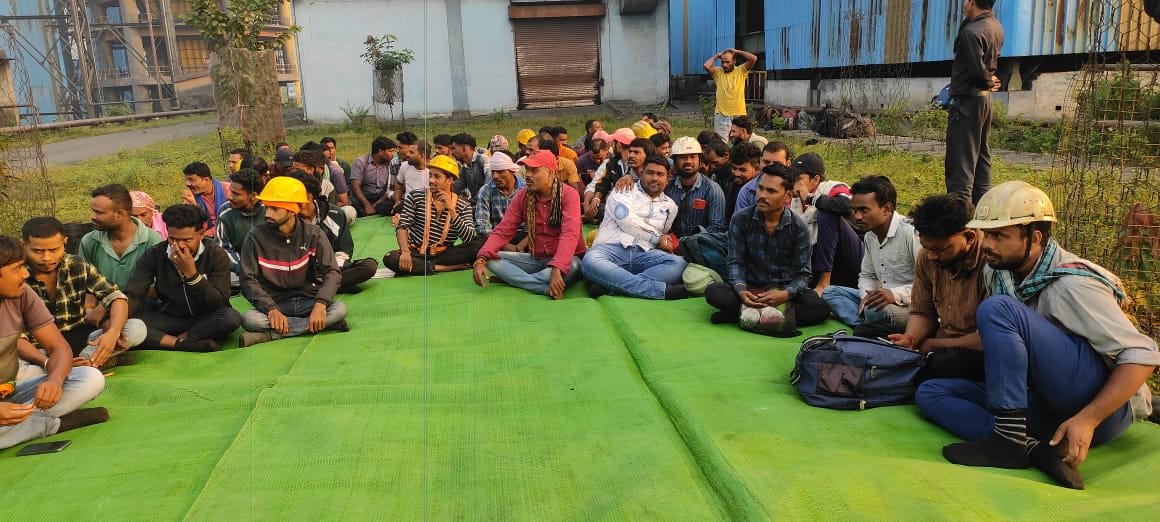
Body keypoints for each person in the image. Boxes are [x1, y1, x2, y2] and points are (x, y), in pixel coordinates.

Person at [915, 181, 1159, 490]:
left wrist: (1088, 420)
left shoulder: (1072, 284)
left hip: (1097, 408)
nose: (987, 244)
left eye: (1000, 236)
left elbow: (1143, 355)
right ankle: (1031, 448)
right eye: (987, 234)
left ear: (1035, 238)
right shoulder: (998, 272)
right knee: (931, 392)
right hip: (1046, 403)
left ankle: (1008, 440)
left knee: (997, 309)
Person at [0, 236, 109, 450]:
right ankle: (49, 425)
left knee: (90, 378)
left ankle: (16, 424)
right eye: (16, 269)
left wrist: (55, 381)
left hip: (9, 391)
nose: (25, 274)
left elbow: (58, 347)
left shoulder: (22, 294)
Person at [704, 168, 831, 326]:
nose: (762, 195)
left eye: (771, 191)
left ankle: (745, 314)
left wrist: (785, 294)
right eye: (761, 188)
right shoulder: (741, 219)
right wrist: (741, 290)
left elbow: (803, 274)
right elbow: (735, 262)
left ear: (787, 196)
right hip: (750, 288)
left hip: (782, 291)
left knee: (819, 309)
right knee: (714, 292)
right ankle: (772, 317)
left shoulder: (799, 227)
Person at [237, 176, 348, 347]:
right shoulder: (255, 236)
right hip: (276, 304)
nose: (268, 214)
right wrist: (271, 309)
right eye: (267, 207)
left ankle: (271, 335)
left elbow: (332, 272)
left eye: (275, 209)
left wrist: (320, 305)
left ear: (292, 210)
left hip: (310, 300)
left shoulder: (313, 233)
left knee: (339, 309)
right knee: (249, 319)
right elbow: (248, 280)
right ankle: (322, 324)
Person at [21, 217, 145, 368]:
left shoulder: (77, 265)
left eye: (53, 250)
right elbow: (12, 336)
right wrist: (46, 361)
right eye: (38, 251)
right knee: (17, 365)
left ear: (64, 242)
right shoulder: (14, 274)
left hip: (78, 338)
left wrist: (113, 333)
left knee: (136, 328)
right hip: (39, 347)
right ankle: (87, 364)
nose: (47, 258)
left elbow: (116, 297)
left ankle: (79, 364)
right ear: (24, 246)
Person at [887, 194, 987, 382]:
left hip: (975, 351)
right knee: (869, 332)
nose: (932, 256)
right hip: (939, 340)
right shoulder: (927, 257)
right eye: (927, 248)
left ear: (969, 237)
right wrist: (910, 339)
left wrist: (933, 345)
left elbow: (986, 340)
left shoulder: (990, 264)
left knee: (941, 366)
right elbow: (922, 312)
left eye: (941, 249)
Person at [123, 205, 241, 352]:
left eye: (187, 240)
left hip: (206, 318)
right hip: (171, 318)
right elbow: (135, 292)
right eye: (172, 239)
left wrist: (192, 275)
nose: (178, 246)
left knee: (230, 317)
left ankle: (178, 339)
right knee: (127, 324)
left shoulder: (216, 254)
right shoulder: (155, 254)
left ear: (201, 234)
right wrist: (116, 317)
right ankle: (184, 343)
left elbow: (219, 301)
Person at [473, 150, 585, 299]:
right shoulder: (523, 196)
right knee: (492, 259)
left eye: (534, 170)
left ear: (551, 173)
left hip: (568, 258)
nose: (528, 175)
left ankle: (515, 279)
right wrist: (481, 259)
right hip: (537, 258)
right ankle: (542, 288)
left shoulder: (569, 195)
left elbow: (570, 234)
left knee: (573, 266)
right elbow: (503, 230)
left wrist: (557, 268)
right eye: (527, 170)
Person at [821, 176, 920, 338]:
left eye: (864, 210)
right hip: (880, 301)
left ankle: (867, 325)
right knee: (830, 293)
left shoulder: (911, 232)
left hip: (912, 304)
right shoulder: (870, 236)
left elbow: (930, 285)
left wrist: (894, 294)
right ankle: (866, 326)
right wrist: (867, 297)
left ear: (887, 208)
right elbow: (867, 275)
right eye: (854, 210)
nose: (857, 217)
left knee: (876, 312)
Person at [582, 155, 687, 300]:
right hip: (611, 249)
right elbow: (626, 221)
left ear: (667, 178)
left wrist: (665, 243)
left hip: (645, 254)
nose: (655, 178)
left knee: (679, 264)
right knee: (591, 260)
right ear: (641, 173)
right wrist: (657, 238)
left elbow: (664, 233)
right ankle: (658, 290)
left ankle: (612, 285)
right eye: (650, 173)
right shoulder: (623, 190)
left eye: (660, 174)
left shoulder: (671, 206)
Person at [945, 0, 1004, 205]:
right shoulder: (995, 26)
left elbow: (976, 71)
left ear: (972, 1)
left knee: (961, 162)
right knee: (981, 158)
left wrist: (988, 80)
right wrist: (990, 80)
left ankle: (960, 213)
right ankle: (983, 208)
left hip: (967, 102)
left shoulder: (971, 32)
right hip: (983, 100)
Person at [383, 155, 481, 275]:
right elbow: (402, 227)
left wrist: (452, 210)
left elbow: (469, 239)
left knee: (480, 244)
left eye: (437, 176)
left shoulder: (463, 204)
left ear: (450, 179)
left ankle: (424, 266)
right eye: (430, 175)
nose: (431, 180)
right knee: (390, 257)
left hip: (445, 253)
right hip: (417, 252)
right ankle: (440, 268)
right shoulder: (415, 196)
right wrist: (405, 252)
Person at [293, 172, 378, 294]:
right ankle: (335, 285)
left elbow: (343, 251)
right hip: (298, 271)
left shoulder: (335, 214)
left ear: (308, 196)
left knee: (369, 266)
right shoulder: (288, 217)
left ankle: (321, 286)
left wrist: (331, 270)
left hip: (329, 268)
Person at [789, 153, 861, 297]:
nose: (794, 184)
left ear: (815, 179)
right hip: (820, 261)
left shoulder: (832, 187)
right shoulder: (793, 201)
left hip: (850, 257)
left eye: (798, 179)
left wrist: (811, 199)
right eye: (792, 179)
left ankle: (824, 282)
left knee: (827, 215)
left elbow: (849, 204)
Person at [80, 183, 164, 290]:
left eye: (99, 213)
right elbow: (85, 284)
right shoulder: (90, 241)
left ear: (119, 214)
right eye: (93, 211)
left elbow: (157, 287)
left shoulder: (152, 241)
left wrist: (119, 299)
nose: (92, 217)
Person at [664, 137, 726, 239]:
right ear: (674, 162)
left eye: (693, 157)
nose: (688, 161)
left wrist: (687, 243)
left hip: (700, 245)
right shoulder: (667, 187)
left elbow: (716, 227)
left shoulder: (712, 189)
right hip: (669, 243)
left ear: (700, 160)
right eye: (683, 157)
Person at [217, 168, 266, 277]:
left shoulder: (268, 211)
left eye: (236, 194)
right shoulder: (225, 212)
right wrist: (243, 270)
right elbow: (223, 247)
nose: (230, 197)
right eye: (230, 191)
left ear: (253, 196)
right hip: (239, 270)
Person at [704, 47, 757, 140]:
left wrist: (737, 51)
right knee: (719, 143)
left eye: (727, 62)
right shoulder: (718, 72)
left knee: (740, 142)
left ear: (734, 61)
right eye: (722, 62)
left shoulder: (741, 70)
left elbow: (753, 58)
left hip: (739, 114)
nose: (724, 65)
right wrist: (717, 55)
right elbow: (706, 65)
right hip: (721, 115)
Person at [475, 151, 525, 247]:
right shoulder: (486, 190)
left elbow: (535, 226)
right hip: (497, 236)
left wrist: (521, 245)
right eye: (493, 171)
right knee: (478, 243)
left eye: (500, 172)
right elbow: (482, 225)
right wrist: (504, 246)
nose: (495, 176)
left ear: (512, 171)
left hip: (523, 235)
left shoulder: (525, 190)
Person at [735, 141, 794, 213]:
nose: (770, 166)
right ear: (760, 161)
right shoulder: (747, 191)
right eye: (766, 162)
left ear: (788, 164)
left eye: (777, 163)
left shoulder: (797, 190)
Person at [351, 136, 397, 217]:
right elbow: (355, 186)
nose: (393, 154)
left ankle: (372, 210)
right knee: (353, 203)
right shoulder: (361, 162)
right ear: (381, 151)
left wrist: (376, 204)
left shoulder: (391, 163)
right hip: (364, 196)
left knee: (395, 202)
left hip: (382, 196)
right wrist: (366, 204)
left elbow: (390, 188)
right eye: (390, 151)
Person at [182, 162, 228, 238]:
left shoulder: (228, 190)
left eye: (192, 180)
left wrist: (206, 234)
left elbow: (232, 221)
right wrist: (194, 208)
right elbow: (191, 225)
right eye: (187, 180)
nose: (187, 184)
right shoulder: (190, 197)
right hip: (204, 237)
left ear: (206, 179)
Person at [393, 141, 432, 214]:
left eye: (411, 152)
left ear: (422, 155)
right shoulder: (405, 166)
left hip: (426, 207)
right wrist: (397, 202)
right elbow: (398, 184)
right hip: (407, 206)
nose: (407, 154)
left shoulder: (433, 170)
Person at [451, 133, 489, 203]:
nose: (452, 152)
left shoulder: (483, 160)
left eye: (454, 148)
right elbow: (455, 188)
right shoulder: (464, 169)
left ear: (464, 148)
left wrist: (473, 201)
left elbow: (489, 182)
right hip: (477, 204)